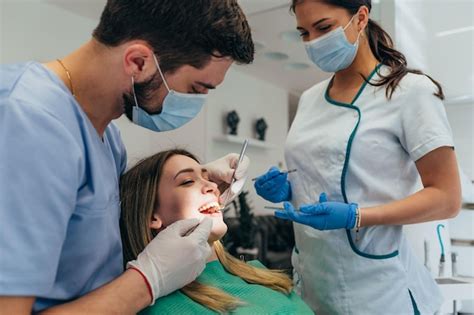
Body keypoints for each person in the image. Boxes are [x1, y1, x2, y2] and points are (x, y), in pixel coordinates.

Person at [0, 1, 254, 313]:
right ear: (138, 62)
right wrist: (148, 280)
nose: (197, 102)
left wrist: (198, 175)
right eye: (196, 88)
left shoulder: (109, 140)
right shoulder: (27, 120)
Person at [253, 0, 461, 314]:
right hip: (313, 284)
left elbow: (447, 198)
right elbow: (323, 176)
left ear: (361, 17)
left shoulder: (410, 92)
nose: (312, 42)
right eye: (303, 33)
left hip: (380, 292)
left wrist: (356, 216)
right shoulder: (310, 99)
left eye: (323, 28)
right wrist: (288, 191)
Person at [119, 149, 313, 314]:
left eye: (207, 177)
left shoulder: (256, 271)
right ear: (152, 217)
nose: (213, 186)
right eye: (187, 181)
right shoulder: (164, 307)